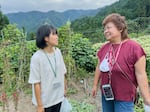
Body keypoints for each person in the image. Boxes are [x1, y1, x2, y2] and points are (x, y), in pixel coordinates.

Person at [92, 13, 150, 112]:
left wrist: (146, 98)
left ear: (120, 28)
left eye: (109, 28)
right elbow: (99, 67)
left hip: (124, 96)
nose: (106, 31)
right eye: (104, 29)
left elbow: (141, 75)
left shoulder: (134, 48)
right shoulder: (104, 48)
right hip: (107, 94)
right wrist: (94, 85)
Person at [28, 24, 67, 112]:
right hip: (45, 101)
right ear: (46, 38)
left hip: (58, 97)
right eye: (54, 34)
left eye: (56, 34)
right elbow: (36, 82)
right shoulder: (37, 58)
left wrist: (64, 89)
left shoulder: (58, 52)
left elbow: (63, 72)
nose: (57, 37)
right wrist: (40, 105)